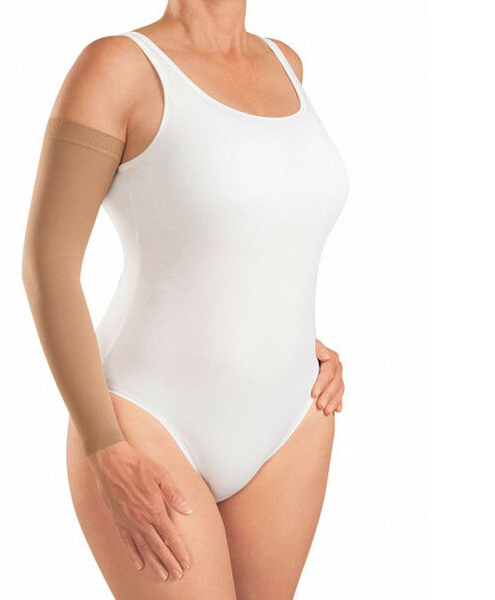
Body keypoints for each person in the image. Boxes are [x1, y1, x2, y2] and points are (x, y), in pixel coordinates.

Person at [23, 2, 348, 598]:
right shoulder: (118, 66)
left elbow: (264, 234)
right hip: (148, 420)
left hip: (292, 419)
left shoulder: (287, 64)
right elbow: (49, 265)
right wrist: (103, 446)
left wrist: (294, 339)